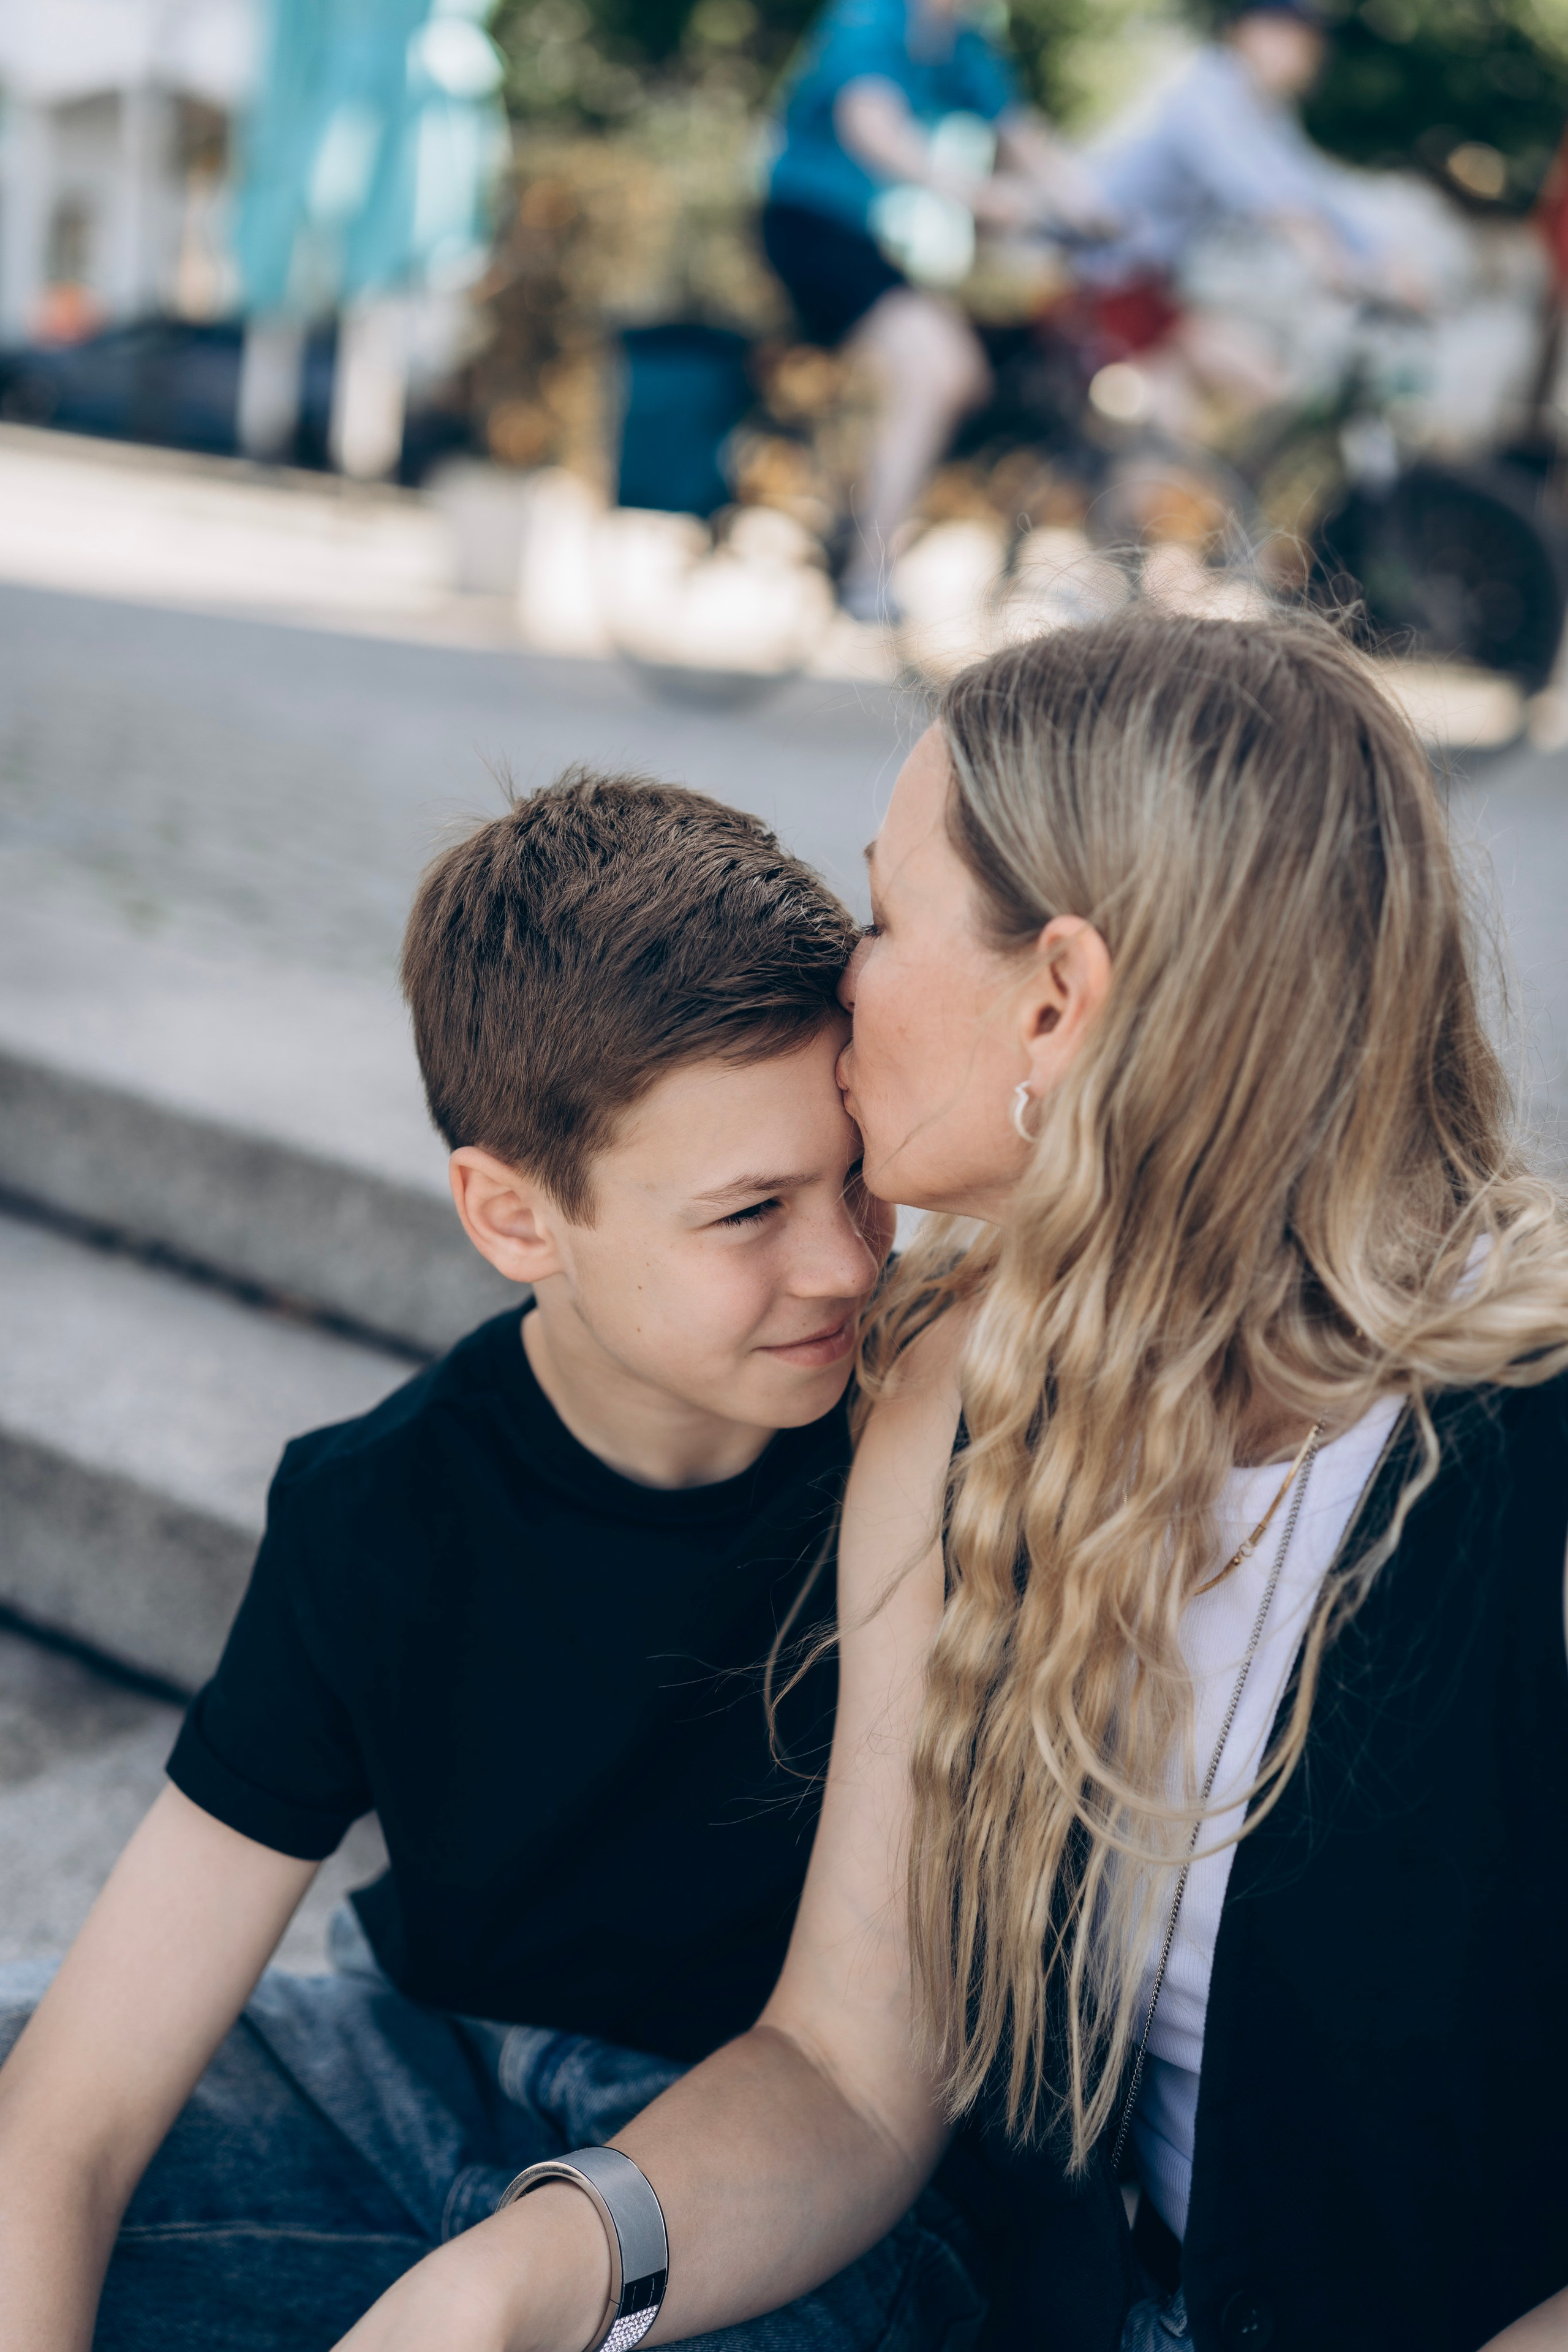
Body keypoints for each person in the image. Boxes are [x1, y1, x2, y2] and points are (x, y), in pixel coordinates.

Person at [332, 613, 1568, 2352]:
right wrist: (529, 2275)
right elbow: (849, 2068)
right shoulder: (955, 1387)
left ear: (1057, 1002)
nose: (844, 971)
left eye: (887, 914)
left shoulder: (1532, 1463)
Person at [0, 774, 988, 2352]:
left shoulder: (922, 1452)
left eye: (856, 1177)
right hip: (416, 2084)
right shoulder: (376, 1510)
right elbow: (75, 2107)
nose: (843, 1261)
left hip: (769, 2201)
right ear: (514, 1216)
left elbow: (865, 2084)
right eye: (748, 1211)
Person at [762, 0, 1108, 625]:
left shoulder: (962, 44)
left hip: (865, 240)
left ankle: (870, 511)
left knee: (964, 376)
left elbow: (1023, 134)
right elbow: (871, 126)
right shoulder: (871, 18)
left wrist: (1090, 206)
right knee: (939, 369)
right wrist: (972, 193)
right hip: (807, 227)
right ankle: (868, 570)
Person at [1070, 0, 1389, 429]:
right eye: (1295, 38)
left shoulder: (1265, 111)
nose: (1307, 57)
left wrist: (1380, 252)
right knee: (1226, 399)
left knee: (1260, 390)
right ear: (1248, 31)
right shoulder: (1206, 88)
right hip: (1096, 273)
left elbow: (1311, 183)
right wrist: (1319, 249)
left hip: (1151, 285)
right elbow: (1252, 184)